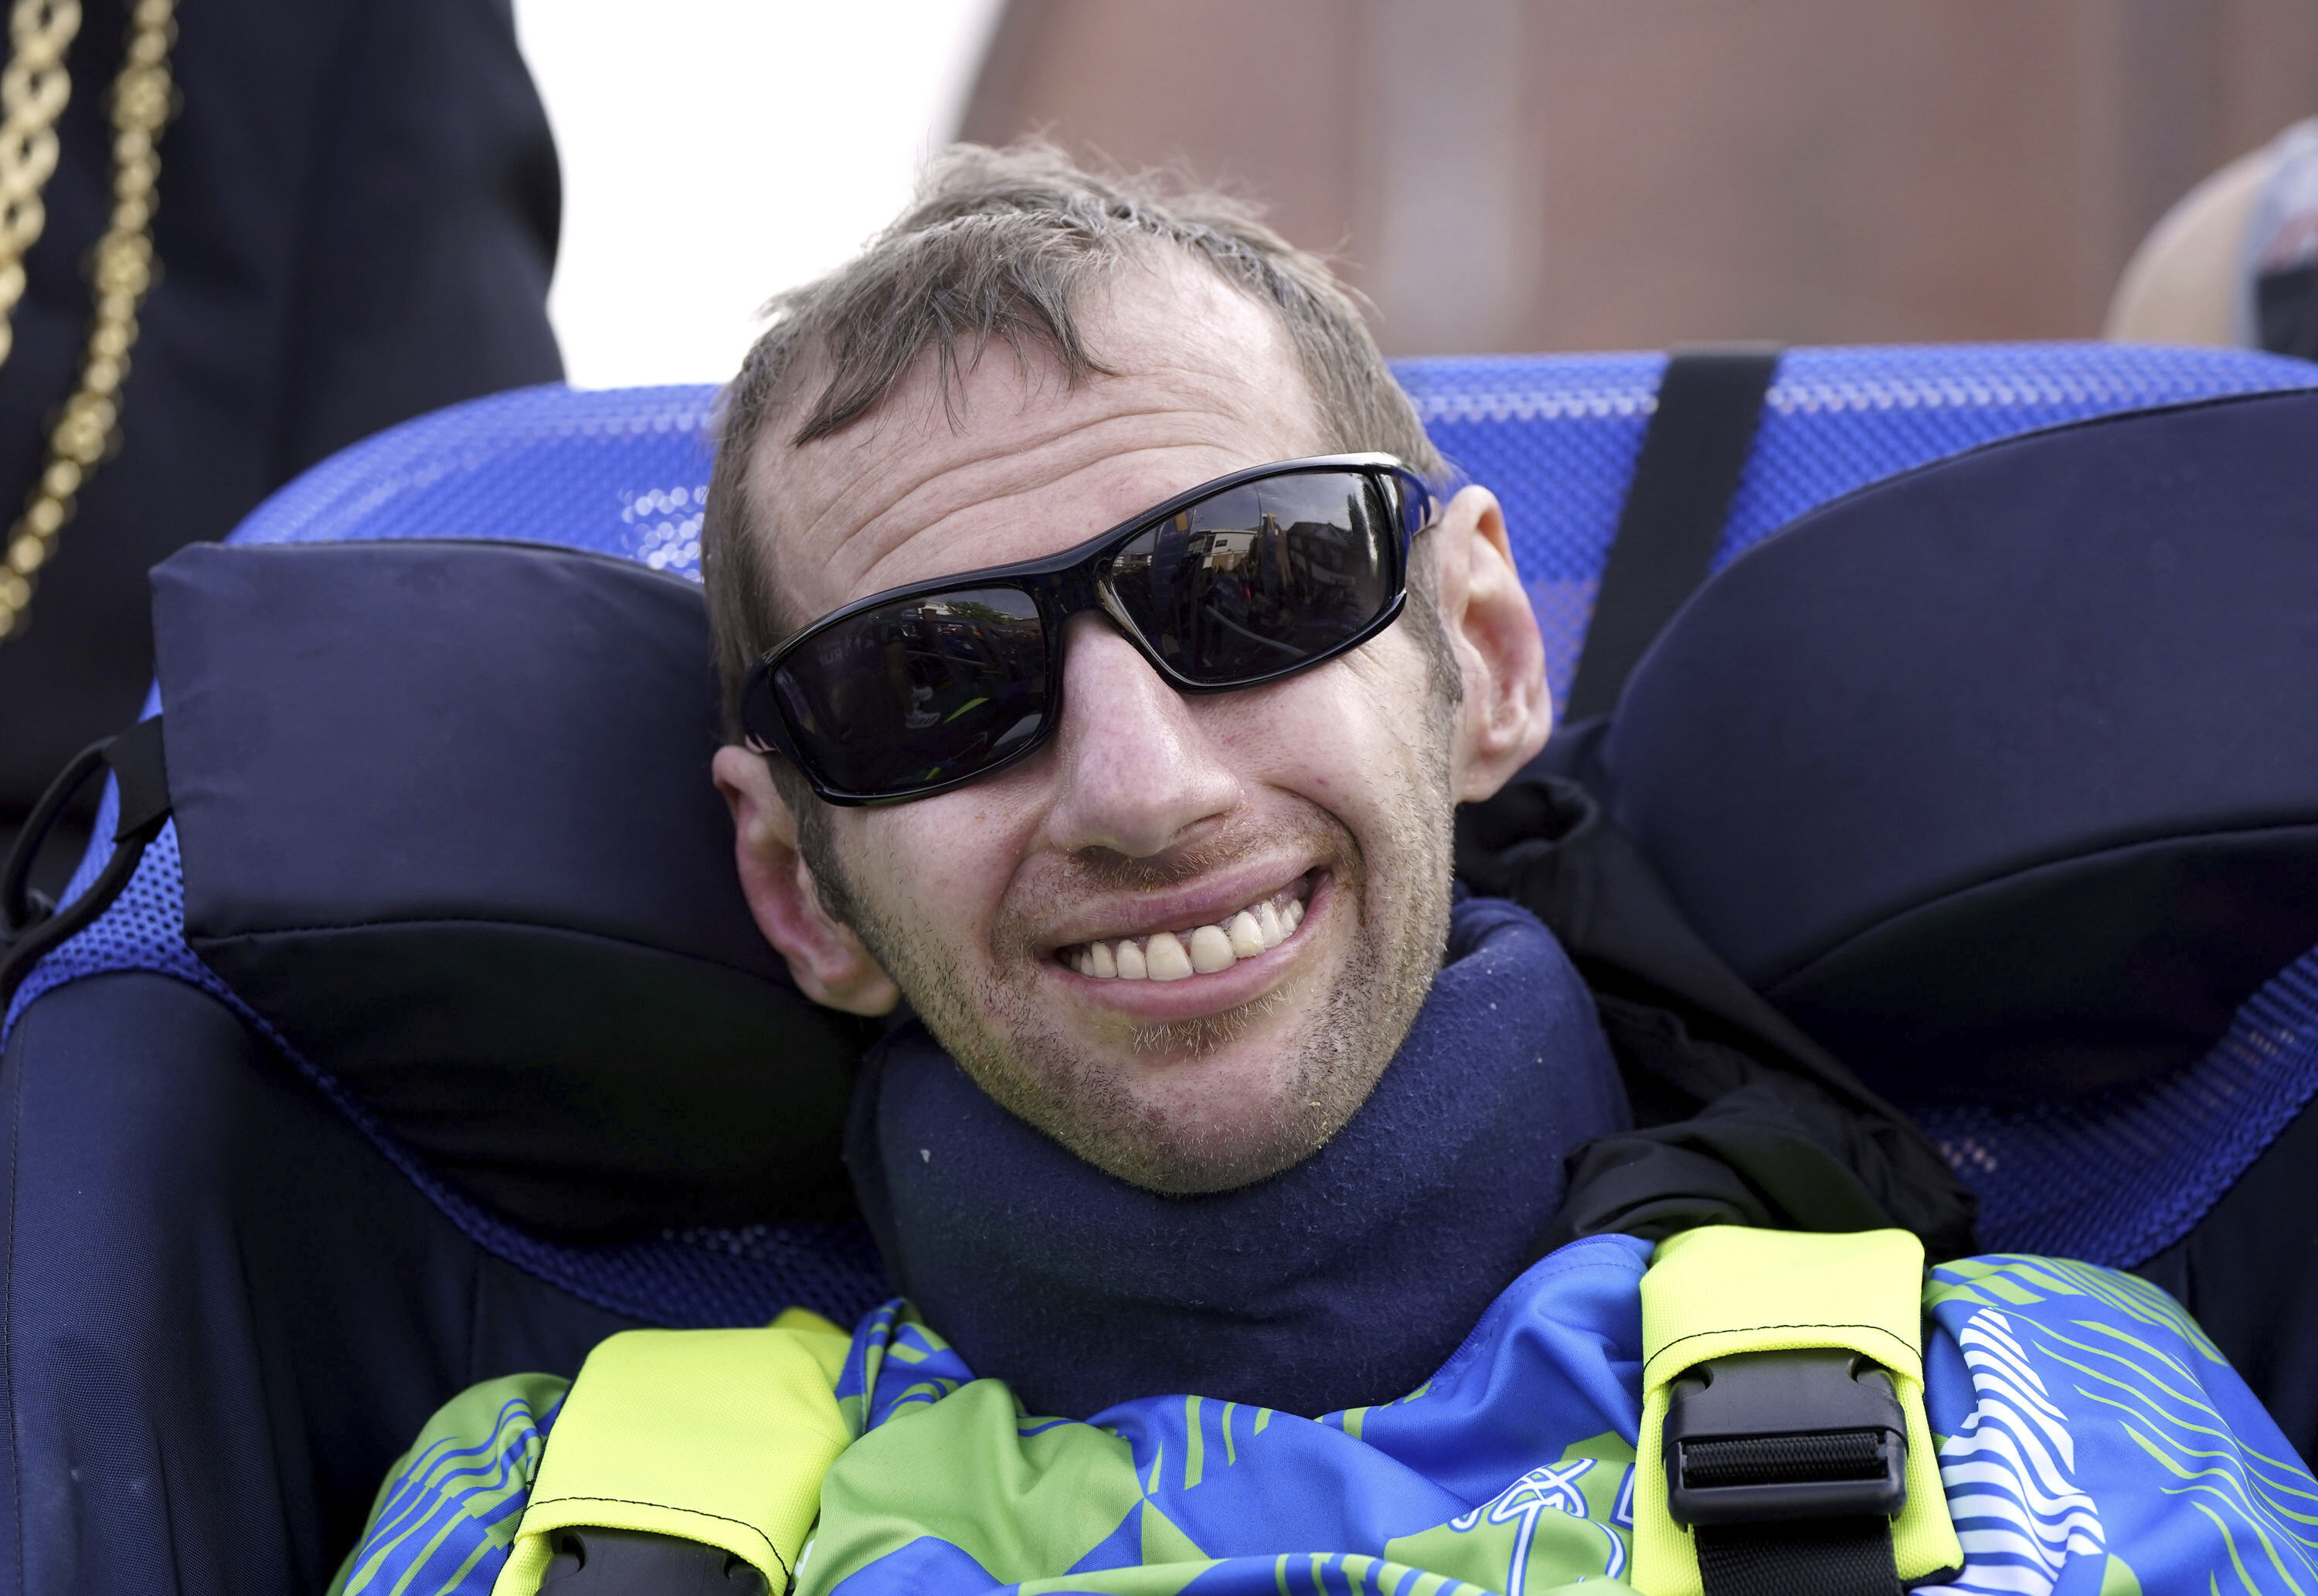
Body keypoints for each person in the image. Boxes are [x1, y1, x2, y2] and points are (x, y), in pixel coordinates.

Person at [331, 145, 2318, 1596]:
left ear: (1484, 663)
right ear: (797, 888)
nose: (1140, 784)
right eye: (929, 683)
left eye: (1257, 585)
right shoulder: (534, 1521)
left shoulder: (2034, 1414)